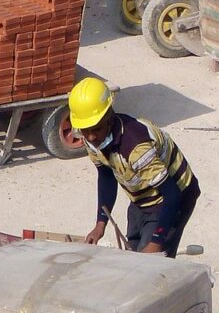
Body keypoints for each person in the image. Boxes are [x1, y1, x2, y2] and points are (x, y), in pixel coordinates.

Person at [68, 77, 200, 258]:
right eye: (85, 130)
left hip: (174, 196)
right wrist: (101, 223)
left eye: (96, 129)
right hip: (141, 198)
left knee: (151, 265)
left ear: (109, 117)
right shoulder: (93, 140)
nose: (91, 137)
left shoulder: (137, 148)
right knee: (132, 256)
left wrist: (157, 242)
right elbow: (106, 176)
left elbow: (172, 195)